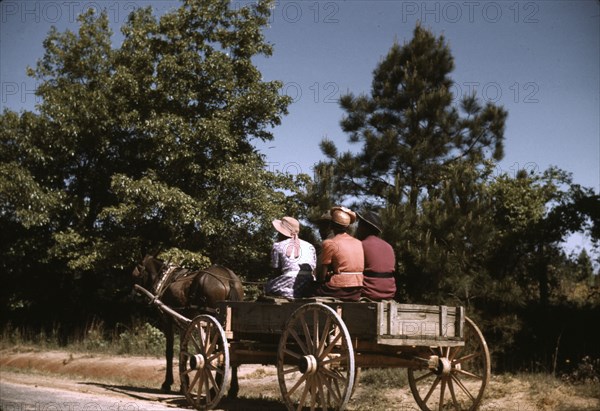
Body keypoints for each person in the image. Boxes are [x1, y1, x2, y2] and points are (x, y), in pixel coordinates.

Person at [313, 206, 364, 301]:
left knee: (311, 289)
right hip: (357, 289)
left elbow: (322, 277)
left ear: (330, 226)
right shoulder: (358, 242)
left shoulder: (329, 243)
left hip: (339, 288)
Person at [265, 216, 317, 299]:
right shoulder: (310, 246)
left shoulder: (278, 246)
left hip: (288, 282)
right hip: (309, 285)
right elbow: (313, 269)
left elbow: (275, 270)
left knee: (268, 287)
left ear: (282, 233)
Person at [355, 210, 396, 301]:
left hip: (369, 292)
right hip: (389, 293)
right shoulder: (389, 247)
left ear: (365, 228)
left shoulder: (361, 245)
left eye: (359, 226)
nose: (357, 229)